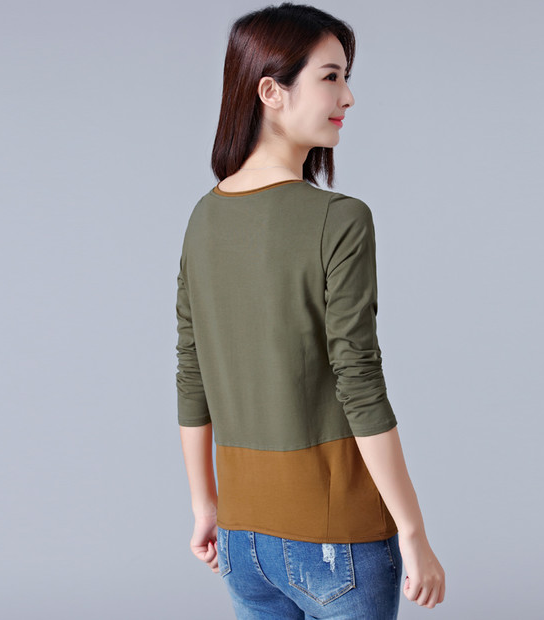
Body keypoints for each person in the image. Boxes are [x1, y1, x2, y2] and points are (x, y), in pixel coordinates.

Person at [176, 3, 445, 617]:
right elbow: (359, 378)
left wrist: (204, 505)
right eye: (330, 77)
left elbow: (193, 374)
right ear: (270, 91)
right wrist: (412, 530)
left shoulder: (203, 217)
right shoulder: (339, 218)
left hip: (241, 538)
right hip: (336, 537)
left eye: (346, 77)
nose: (347, 97)